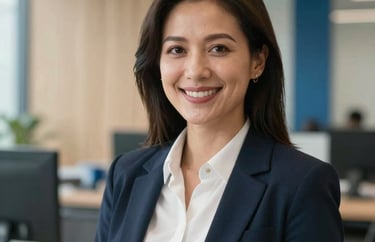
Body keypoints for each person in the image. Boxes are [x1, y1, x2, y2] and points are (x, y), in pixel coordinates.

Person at [95, 0, 343, 241]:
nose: (195, 71)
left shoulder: (302, 184)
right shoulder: (125, 175)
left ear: (257, 61)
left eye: (218, 48)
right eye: (177, 50)